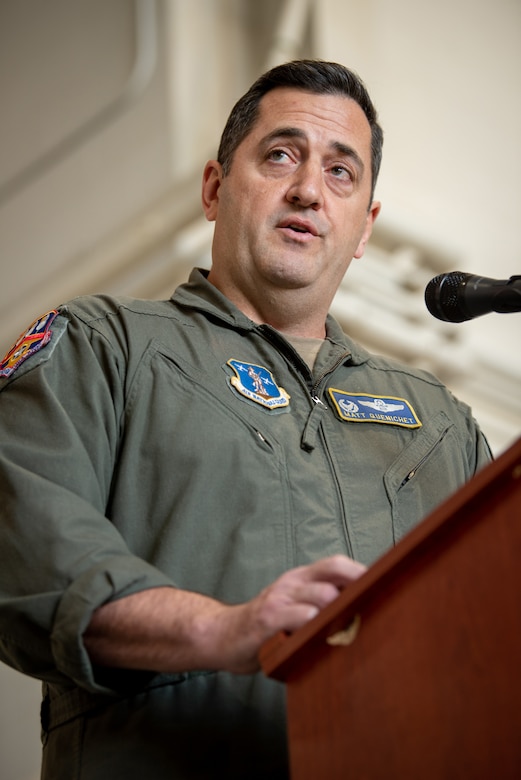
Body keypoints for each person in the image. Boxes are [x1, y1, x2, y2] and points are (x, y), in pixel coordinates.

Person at [0, 60, 491, 779]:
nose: (306, 190)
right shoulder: (101, 347)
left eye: (340, 172)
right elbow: (28, 552)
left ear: (364, 229)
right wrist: (223, 629)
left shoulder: (441, 424)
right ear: (213, 188)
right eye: (280, 155)